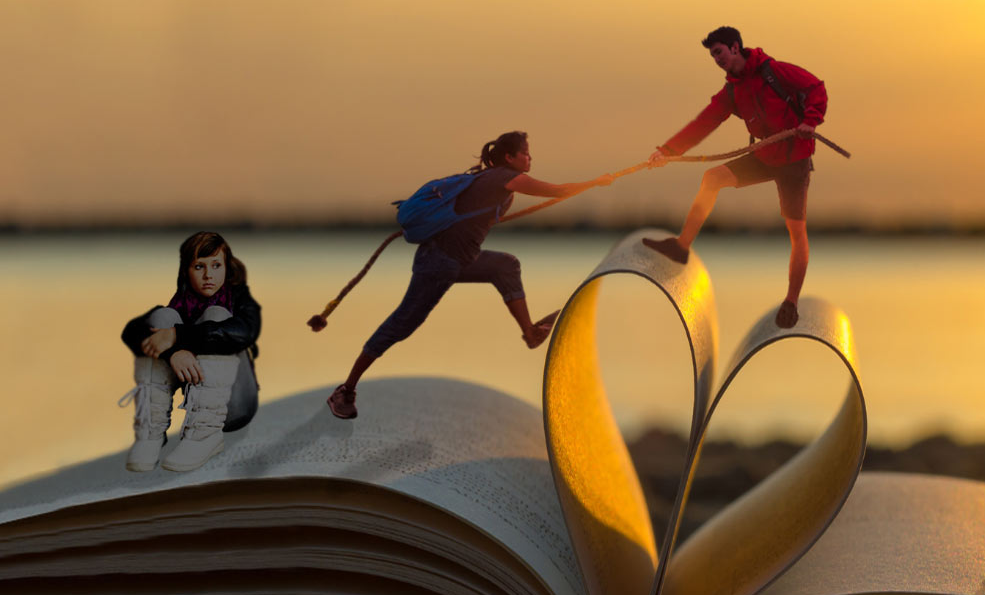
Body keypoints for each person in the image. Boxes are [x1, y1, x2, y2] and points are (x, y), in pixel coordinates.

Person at [326, 132, 610, 420]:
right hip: (437, 262)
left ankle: (530, 333)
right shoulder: (504, 177)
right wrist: (595, 183)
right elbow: (554, 190)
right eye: (525, 153)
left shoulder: (492, 181)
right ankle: (345, 391)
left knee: (505, 266)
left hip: (459, 260)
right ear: (510, 158)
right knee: (402, 324)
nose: (530, 158)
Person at [644, 26, 827, 329]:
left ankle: (791, 303)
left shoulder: (774, 71)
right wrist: (668, 150)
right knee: (712, 178)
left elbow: (816, 88)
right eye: (712, 55)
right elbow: (704, 122)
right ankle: (681, 246)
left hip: (794, 158)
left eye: (718, 52)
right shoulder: (732, 90)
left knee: (796, 232)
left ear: (735, 47)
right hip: (765, 156)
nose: (716, 59)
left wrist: (811, 120)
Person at [119, 231, 262, 472]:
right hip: (194, 399)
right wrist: (172, 352)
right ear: (186, 270)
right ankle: (151, 433)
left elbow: (245, 331)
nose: (208, 275)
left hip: (234, 403)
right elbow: (131, 332)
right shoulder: (180, 304)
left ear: (227, 268)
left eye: (216, 265)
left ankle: (205, 436)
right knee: (161, 317)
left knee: (217, 316)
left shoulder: (240, 300)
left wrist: (178, 336)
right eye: (199, 266)